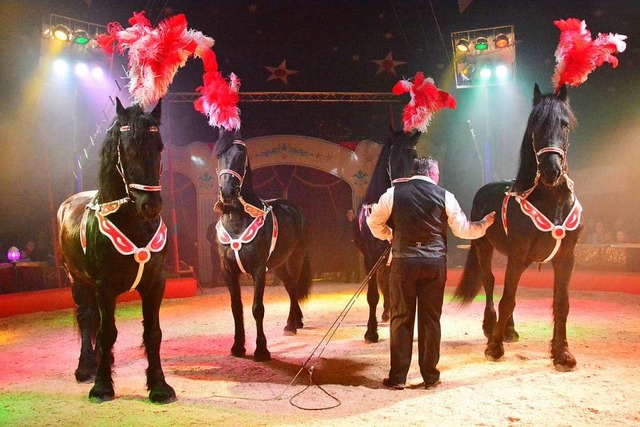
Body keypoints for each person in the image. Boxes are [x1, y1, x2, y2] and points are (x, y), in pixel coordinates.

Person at [367, 157, 495, 390]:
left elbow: (373, 223)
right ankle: (430, 376)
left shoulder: (393, 193)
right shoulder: (445, 196)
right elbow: (464, 230)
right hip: (433, 264)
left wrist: (389, 236)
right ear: (433, 174)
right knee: (430, 321)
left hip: (403, 264)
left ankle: (397, 377)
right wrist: (484, 224)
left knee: (400, 319)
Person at [339, 208, 360, 282]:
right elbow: (342, 235)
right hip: (347, 245)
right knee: (348, 261)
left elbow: (359, 233)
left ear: (353, 214)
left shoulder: (356, 223)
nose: (350, 215)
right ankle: (348, 278)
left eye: (351, 213)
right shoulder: (344, 224)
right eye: (349, 213)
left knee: (355, 261)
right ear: (347, 215)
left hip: (355, 245)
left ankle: (357, 278)